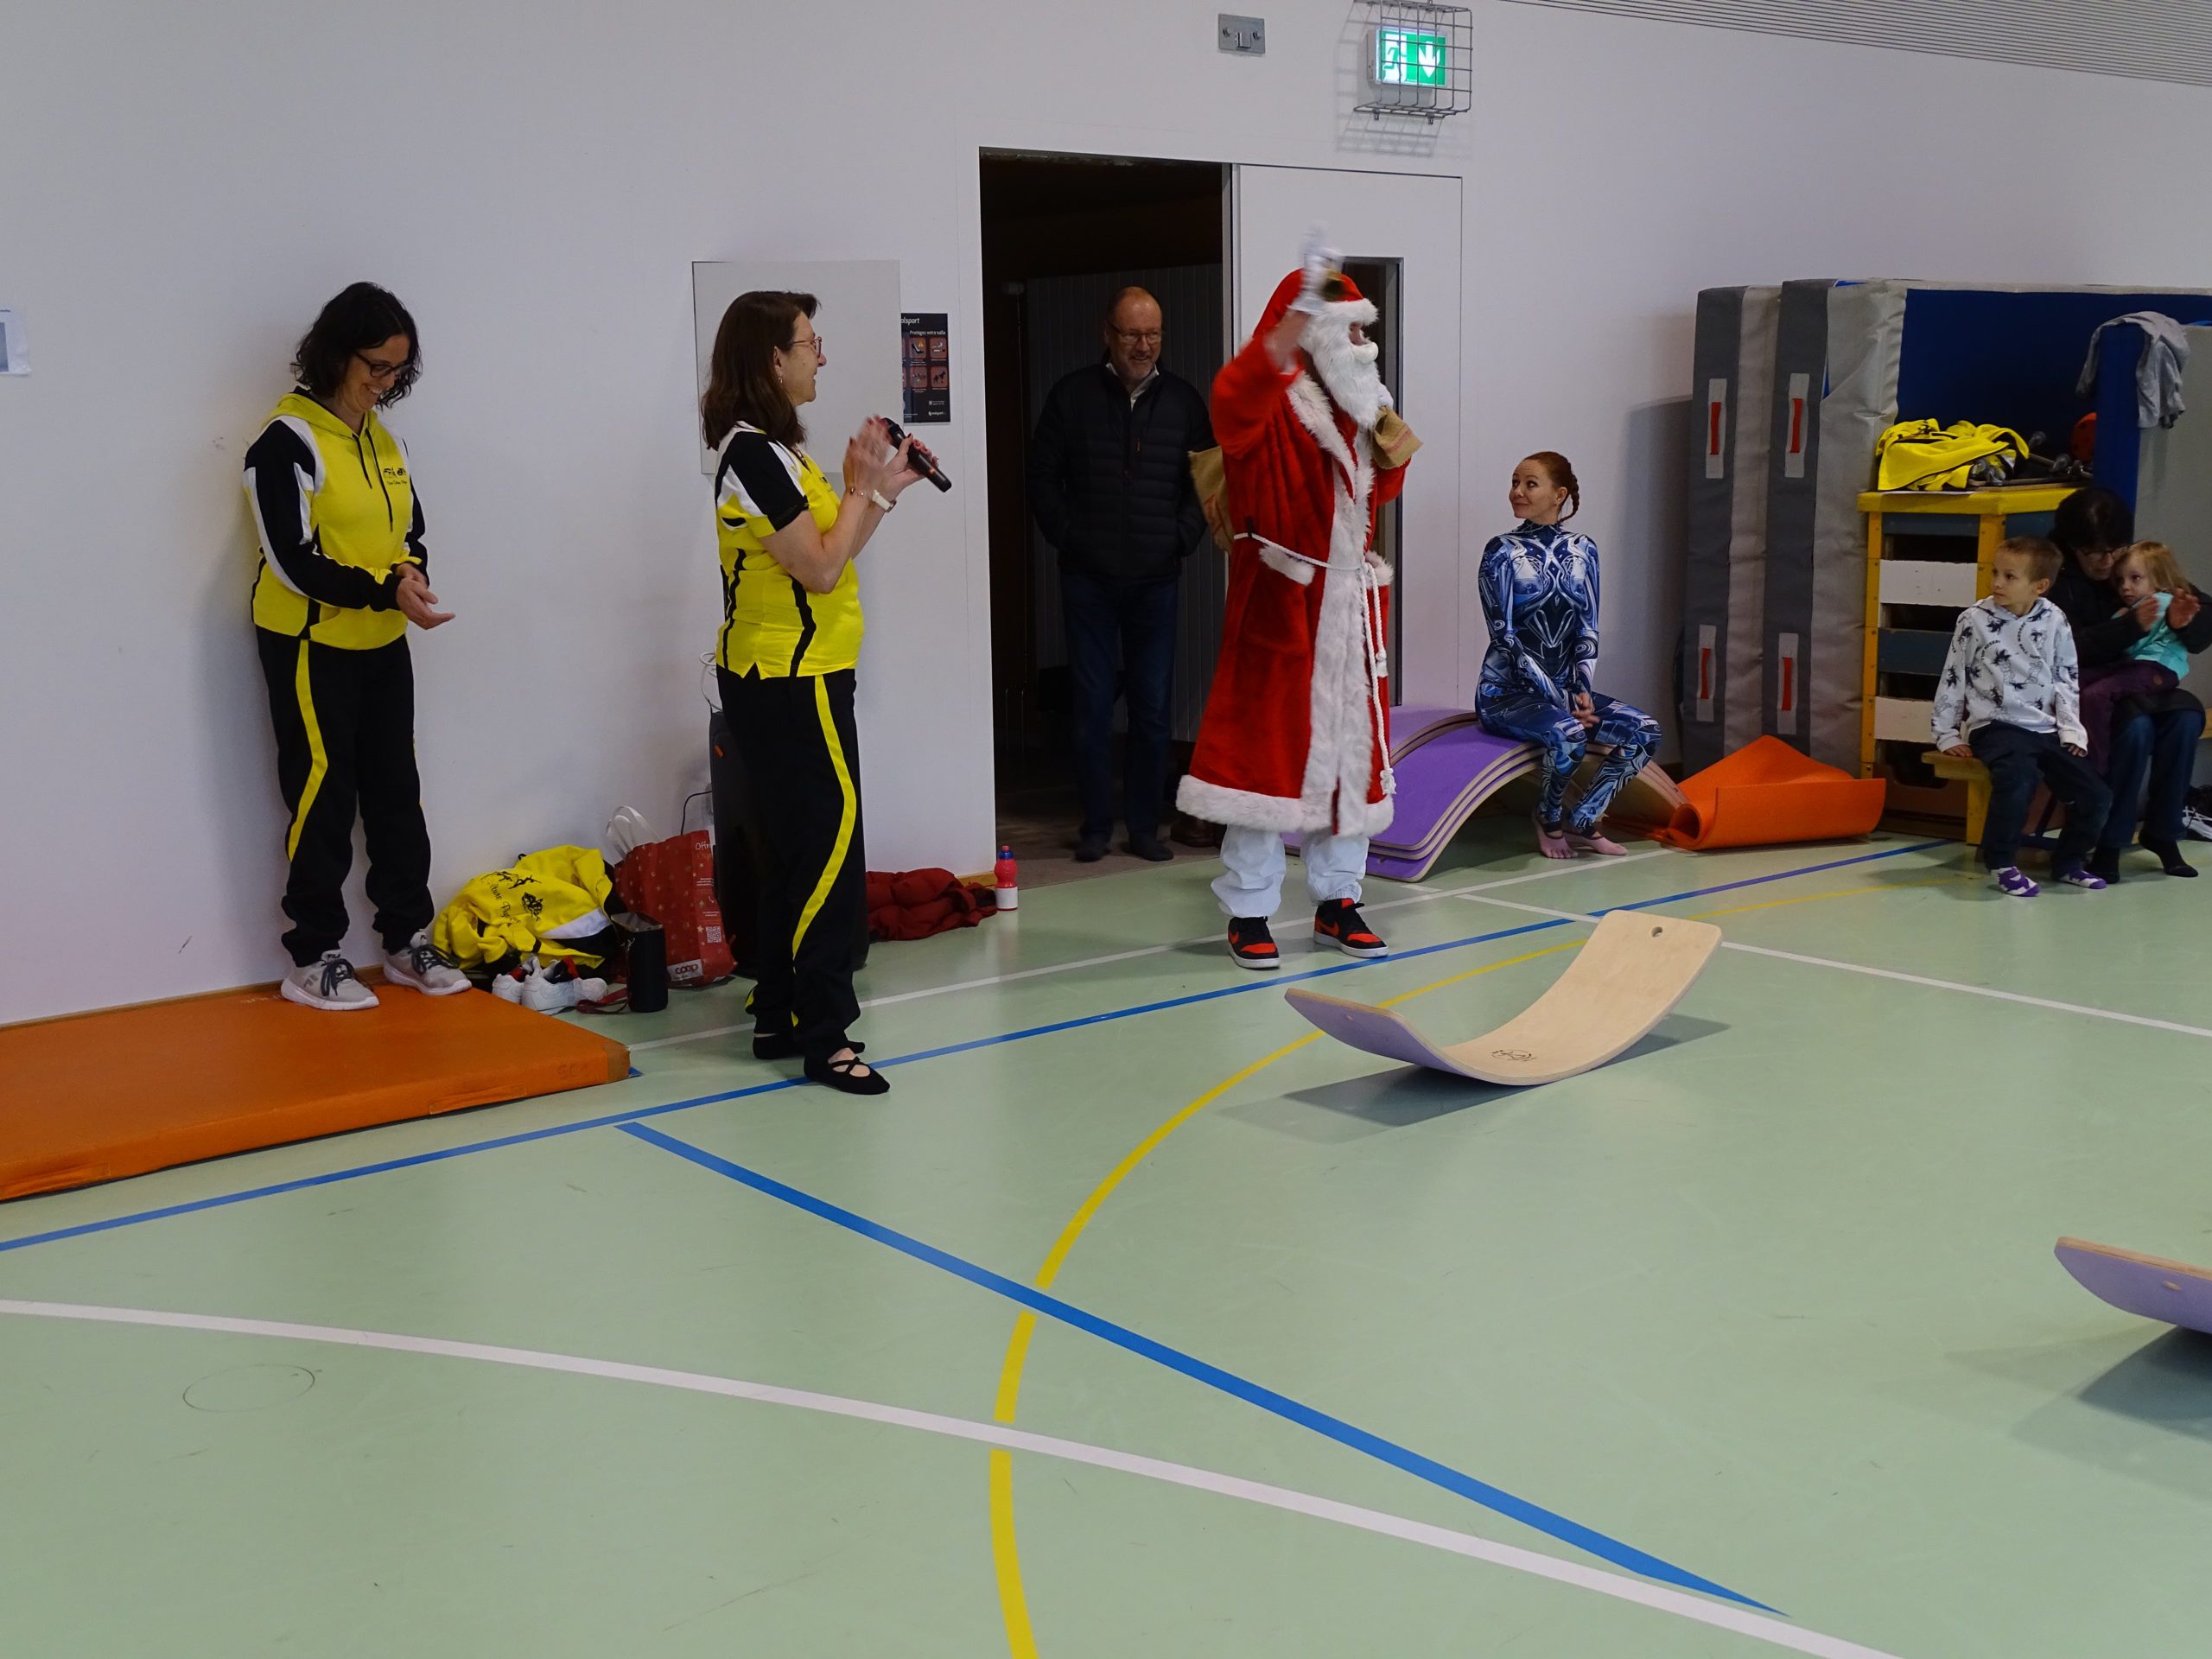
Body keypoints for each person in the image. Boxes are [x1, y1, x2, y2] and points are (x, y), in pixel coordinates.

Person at [701, 290, 931, 1095]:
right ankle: (826, 1037)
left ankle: (777, 1013)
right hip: (791, 684)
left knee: (796, 850)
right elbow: (824, 570)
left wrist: (883, 487)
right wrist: (861, 486)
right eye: (810, 343)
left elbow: (834, 548)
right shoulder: (753, 459)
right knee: (830, 855)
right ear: (773, 359)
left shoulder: (777, 454)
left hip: (797, 678)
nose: (821, 356)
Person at [1175, 237, 1411, 970]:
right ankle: (1249, 910)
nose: (1365, 344)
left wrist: (1380, 417)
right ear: (1312, 334)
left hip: (1349, 608)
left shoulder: (1362, 404)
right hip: (1282, 603)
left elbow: (1386, 487)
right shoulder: (1272, 406)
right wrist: (1288, 326)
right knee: (1262, 761)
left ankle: (1340, 901)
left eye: (1366, 331)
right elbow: (1232, 396)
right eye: (1352, 331)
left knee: (1350, 758)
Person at [243, 282, 469, 1011]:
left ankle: (406, 940)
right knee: (323, 796)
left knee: (397, 791)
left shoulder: (383, 440)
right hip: (311, 644)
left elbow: (411, 533)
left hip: (382, 640)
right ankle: (313, 956)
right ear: (336, 354)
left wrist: (411, 574)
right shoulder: (285, 443)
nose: (385, 382)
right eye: (376, 366)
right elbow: (292, 561)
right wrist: (384, 589)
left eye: (398, 370)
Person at [1027, 287, 1216, 862]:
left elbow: (1207, 482)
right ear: (1106, 333)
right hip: (1087, 575)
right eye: (1132, 334)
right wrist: (1070, 536)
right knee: (1090, 707)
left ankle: (1143, 828)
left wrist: (1180, 539)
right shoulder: (1072, 396)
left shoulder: (1183, 401)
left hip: (1156, 579)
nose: (1143, 345)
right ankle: (1094, 826)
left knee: (1152, 709)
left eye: (1153, 334)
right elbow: (1042, 477)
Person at [1473, 454, 1663, 859]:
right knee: (1569, 734)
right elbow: (1504, 636)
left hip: (1564, 691)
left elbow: (1587, 627)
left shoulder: (1583, 549)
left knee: (1644, 731)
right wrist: (1560, 699)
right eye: (1515, 482)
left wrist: (1582, 690)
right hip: (1506, 695)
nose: (1517, 492)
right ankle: (1548, 817)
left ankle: (1584, 818)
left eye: (1530, 484)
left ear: (1559, 495)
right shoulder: (1501, 551)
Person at [1932, 537, 2110, 897]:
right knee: (2018, 778)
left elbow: (2065, 676)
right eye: (1995, 573)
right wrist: (1946, 734)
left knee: (2095, 794)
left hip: (2044, 728)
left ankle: (2069, 862)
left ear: (2039, 586)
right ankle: (2001, 863)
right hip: (1995, 726)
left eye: (2009, 576)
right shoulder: (1973, 620)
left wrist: (2071, 730)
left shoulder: (2055, 619)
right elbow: (1953, 676)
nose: (1997, 583)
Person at [2048, 487, 2210, 880]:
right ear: (2073, 547)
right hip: (2082, 688)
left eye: (2115, 550)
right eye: (2094, 553)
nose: (2107, 563)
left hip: (2133, 680)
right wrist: (2128, 627)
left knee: (2187, 718)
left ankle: (2164, 832)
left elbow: (2200, 611)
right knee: (2136, 729)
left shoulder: (2133, 563)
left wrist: (2184, 623)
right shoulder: (2054, 576)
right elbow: (2065, 650)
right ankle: (2110, 841)